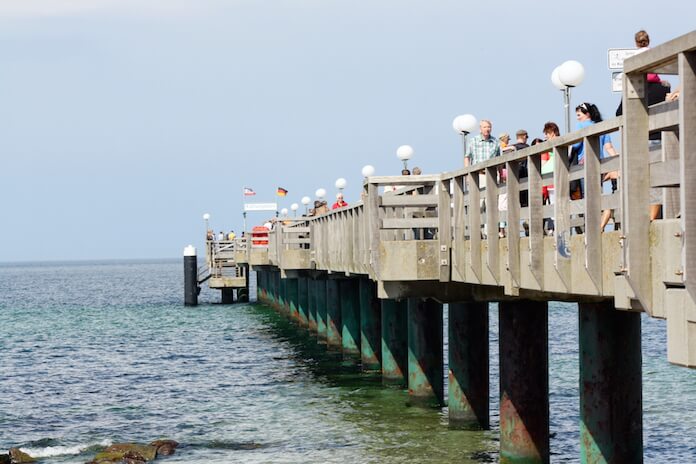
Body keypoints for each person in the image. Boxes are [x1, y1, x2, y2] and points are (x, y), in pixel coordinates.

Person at [465, 119, 501, 238]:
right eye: (485, 127)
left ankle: (489, 231)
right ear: (480, 129)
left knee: (491, 203)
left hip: (491, 175)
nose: (487, 129)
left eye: (489, 127)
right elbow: (467, 157)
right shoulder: (474, 141)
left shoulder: (495, 142)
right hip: (478, 175)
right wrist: (467, 174)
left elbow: (499, 159)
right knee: (479, 204)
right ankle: (477, 230)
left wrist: (500, 175)